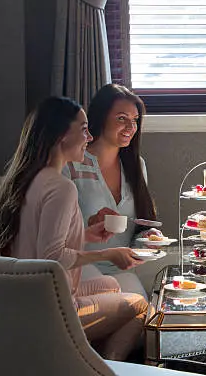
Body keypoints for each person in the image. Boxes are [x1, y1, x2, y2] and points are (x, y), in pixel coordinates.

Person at [0, 97, 148, 361]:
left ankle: (81, 360)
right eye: (84, 129)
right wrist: (108, 254)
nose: (89, 138)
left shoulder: (29, 179)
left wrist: (85, 235)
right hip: (53, 307)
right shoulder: (62, 188)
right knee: (140, 305)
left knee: (111, 285)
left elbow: (39, 239)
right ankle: (105, 368)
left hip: (27, 296)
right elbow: (52, 257)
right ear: (63, 135)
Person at [63, 84, 161, 275]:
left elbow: (134, 231)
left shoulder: (137, 166)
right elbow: (53, 238)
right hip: (79, 269)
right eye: (121, 118)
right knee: (135, 304)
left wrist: (147, 237)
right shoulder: (71, 166)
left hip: (123, 270)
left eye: (135, 120)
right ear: (100, 118)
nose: (131, 127)